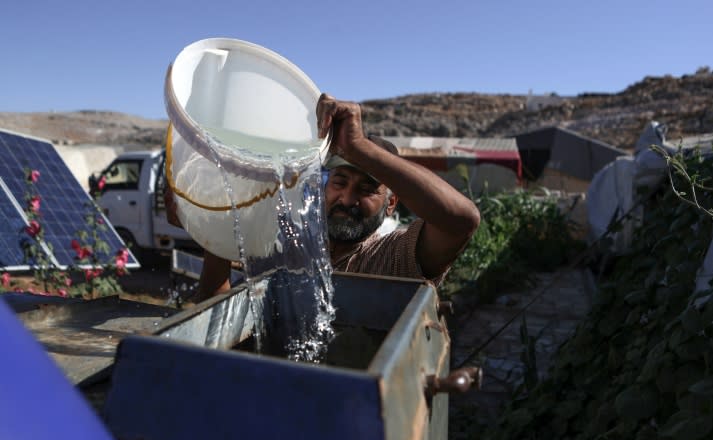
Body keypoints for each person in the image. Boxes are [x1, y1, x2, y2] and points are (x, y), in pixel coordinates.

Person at [168, 93, 481, 301]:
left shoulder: (396, 256)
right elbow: (216, 307)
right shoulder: (284, 245)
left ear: (392, 203)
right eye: (340, 181)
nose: (346, 199)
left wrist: (360, 149)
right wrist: (216, 229)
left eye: (367, 188)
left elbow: (460, 221)